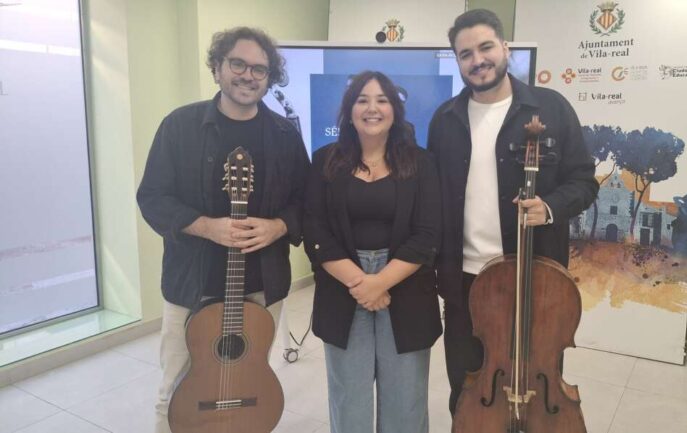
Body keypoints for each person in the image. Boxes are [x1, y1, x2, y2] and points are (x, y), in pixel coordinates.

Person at [136, 27, 309, 433]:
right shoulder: (179, 127)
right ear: (217, 68)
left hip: (261, 283)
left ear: (270, 78)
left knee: (246, 379)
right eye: (238, 64)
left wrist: (278, 226)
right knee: (177, 391)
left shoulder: (284, 135)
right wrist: (205, 227)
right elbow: (153, 197)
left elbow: (307, 201)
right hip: (190, 285)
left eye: (260, 70)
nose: (249, 76)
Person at [427, 9, 599, 416]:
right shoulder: (444, 119)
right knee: (469, 386)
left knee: (535, 383)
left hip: (533, 275)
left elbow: (585, 181)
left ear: (504, 48)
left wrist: (551, 207)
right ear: (458, 61)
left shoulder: (551, 109)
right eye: (465, 53)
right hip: (464, 279)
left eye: (485, 47)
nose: (477, 59)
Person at [304, 71, 442, 433]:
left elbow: (428, 233)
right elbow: (315, 229)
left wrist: (380, 282)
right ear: (349, 111)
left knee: (405, 400)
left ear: (395, 110)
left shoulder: (421, 162)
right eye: (362, 100)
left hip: (406, 284)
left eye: (382, 100)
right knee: (350, 399)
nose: (372, 108)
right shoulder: (324, 161)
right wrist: (361, 283)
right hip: (342, 284)